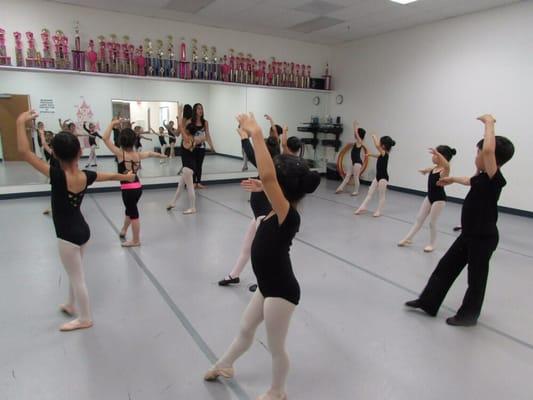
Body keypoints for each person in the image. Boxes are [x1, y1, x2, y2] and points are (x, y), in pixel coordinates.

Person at [205, 113, 320, 400]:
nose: (264, 181)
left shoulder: (288, 216)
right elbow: (269, 181)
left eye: (269, 184)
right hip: (267, 286)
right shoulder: (275, 208)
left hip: (282, 292)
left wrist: (256, 133)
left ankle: (277, 391)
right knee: (245, 329)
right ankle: (226, 365)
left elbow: (268, 176)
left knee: (276, 347)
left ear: (279, 188)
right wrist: (261, 187)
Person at [16, 109, 135, 331]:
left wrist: (19, 121)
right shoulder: (84, 176)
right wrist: (125, 177)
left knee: (77, 277)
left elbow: (24, 152)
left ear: (56, 155)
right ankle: (71, 305)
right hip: (83, 232)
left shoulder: (57, 176)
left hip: (67, 237)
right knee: (75, 271)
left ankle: (85, 318)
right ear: (80, 153)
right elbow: (107, 176)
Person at [405, 115, 514, 327]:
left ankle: (468, 315)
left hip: (483, 238)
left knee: (476, 279)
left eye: (478, 152)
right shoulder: (482, 176)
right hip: (469, 235)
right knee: (445, 266)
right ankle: (428, 302)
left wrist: (489, 124)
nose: (477, 155)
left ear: (489, 156)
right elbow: (469, 180)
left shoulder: (495, 178)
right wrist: (453, 179)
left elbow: (490, 150)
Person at [102, 119, 167, 247]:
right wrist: (162, 156)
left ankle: (136, 240)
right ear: (133, 141)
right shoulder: (137, 155)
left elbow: (105, 138)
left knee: (133, 214)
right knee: (129, 210)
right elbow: (149, 153)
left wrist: (111, 124)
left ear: (121, 141)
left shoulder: (120, 154)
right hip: (138, 187)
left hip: (128, 190)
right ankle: (124, 230)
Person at [398, 146, 457, 252]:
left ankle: (432, 244)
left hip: (439, 200)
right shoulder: (434, 168)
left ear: (442, 157)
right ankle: (408, 238)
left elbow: (447, 166)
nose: (433, 157)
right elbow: (429, 169)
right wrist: (425, 171)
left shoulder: (444, 170)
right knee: (419, 218)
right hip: (429, 197)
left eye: (435, 155)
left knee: (432, 223)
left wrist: (438, 153)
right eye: (434, 154)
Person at [354, 134, 396, 217]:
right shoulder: (383, 154)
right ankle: (363, 206)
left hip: (383, 178)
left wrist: (374, 137)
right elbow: (378, 156)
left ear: (383, 146)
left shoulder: (385, 153)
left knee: (381, 195)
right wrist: (370, 155)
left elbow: (377, 145)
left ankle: (379, 211)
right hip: (377, 177)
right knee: (370, 192)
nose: (379, 144)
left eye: (380, 143)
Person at [166, 104, 197, 214]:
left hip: (188, 167)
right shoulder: (192, 138)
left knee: (189, 188)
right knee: (180, 186)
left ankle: (192, 207)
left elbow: (180, 126)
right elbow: (181, 128)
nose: (184, 129)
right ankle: (173, 202)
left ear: (187, 131)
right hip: (189, 166)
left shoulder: (187, 138)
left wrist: (179, 112)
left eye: (186, 129)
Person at [336, 120, 366, 196]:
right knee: (347, 176)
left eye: (356, 133)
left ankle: (356, 191)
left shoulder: (360, 141)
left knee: (356, 177)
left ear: (359, 135)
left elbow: (356, 133)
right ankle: (340, 188)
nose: (355, 134)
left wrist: (354, 125)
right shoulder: (357, 142)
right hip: (353, 162)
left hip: (357, 163)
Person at [190, 103, 216, 189]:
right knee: (193, 165)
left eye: (201, 109)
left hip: (201, 147)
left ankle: (199, 182)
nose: (200, 110)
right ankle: (193, 183)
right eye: (198, 109)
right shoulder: (190, 122)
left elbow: (207, 135)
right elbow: (187, 135)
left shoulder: (205, 122)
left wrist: (212, 146)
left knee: (199, 165)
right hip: (192, 147)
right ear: (195, 110)